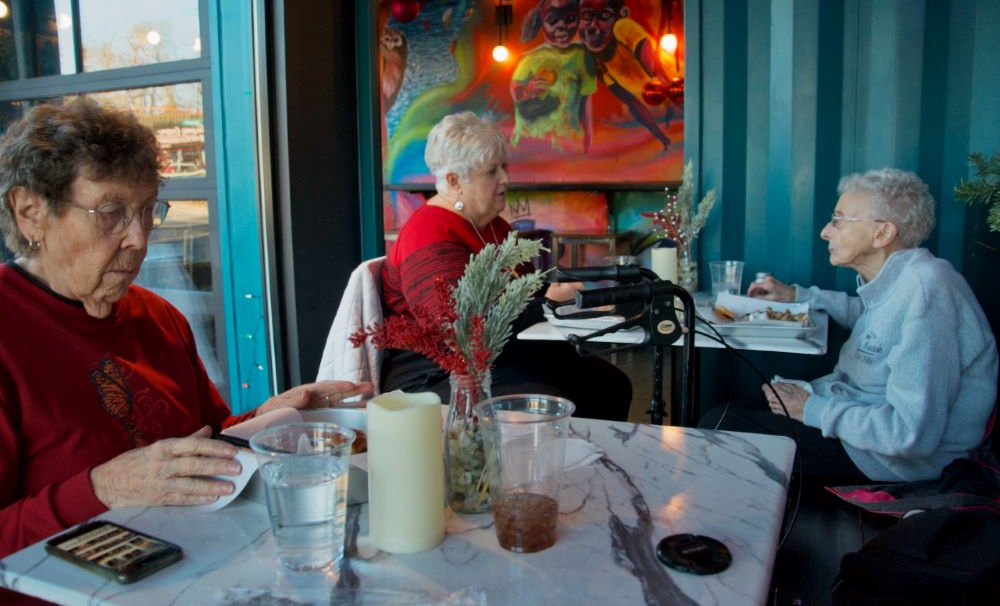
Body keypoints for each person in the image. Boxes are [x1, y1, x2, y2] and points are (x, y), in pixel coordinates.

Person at [0, 99, 371, 560]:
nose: (139, 238)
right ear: (30, 211)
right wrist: (102, 488)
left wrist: (269, 416)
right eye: (111, 212)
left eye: (148, 211)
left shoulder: (157, 317)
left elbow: (205, 441)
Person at [701, 169, 997, 483]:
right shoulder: (906, 280)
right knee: (721, 414)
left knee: (719, 429)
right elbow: (872, 316)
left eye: (840, 220)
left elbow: (909, 435)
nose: (825, 232)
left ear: (882, 234)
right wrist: (798, 296)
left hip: (896, 461)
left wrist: (810, 409)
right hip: (858, 422)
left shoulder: (928, 292)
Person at [380, 111, 632, 420]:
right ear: (454, 181)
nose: (506, 179)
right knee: (550, 403)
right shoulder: (428, 233)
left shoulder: (493, 225)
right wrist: (549, 304)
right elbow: (459, 328)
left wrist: (554, 293)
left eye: (504, 167)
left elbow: (521, 289)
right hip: (440, 375)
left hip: (497, 357)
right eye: (491, 172)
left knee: (610, 384)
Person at [578, 0, 672, 150]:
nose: (593, 26)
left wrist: (671, 92)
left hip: (672, 83)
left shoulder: (623, 28)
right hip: (658, 98)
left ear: (619, 16)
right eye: (586, 16)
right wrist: (662, 137)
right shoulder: (596, 59)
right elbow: (631, 102)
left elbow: (654, 68)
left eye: (604, 16)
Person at [510, 0, 597, 152]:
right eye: (552, 20)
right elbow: (516, 92)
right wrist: (527, 91)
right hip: (530, 140)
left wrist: (589, 133)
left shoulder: (582, 55)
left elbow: (586, 100)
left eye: (570, 18)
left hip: (566, 141)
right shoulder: (529, 59)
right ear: (541, 22)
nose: (562, 27)